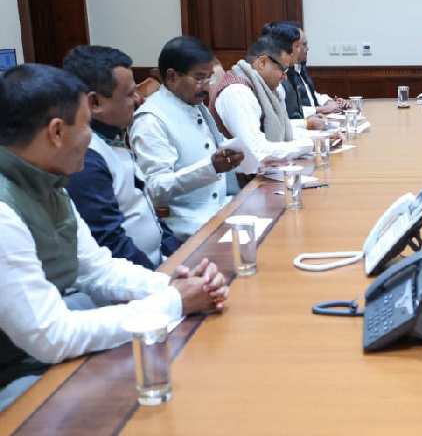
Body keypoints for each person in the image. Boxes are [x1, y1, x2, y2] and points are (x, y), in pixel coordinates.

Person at [0, 64, 228, 410]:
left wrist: (172, 286)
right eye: (87, 124)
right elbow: (50, 336)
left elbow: (96, 269)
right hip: (17, 376)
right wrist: (174, 303)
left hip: (41, 356)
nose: (92, 137)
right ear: (57, 132)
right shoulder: (5, 210)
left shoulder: (48, 179)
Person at [63, 46, 181, 269]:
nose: (140, 100)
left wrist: (183, 258)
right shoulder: (86, 160)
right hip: (135, 279)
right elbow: (110, 244)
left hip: (159, 266)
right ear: (95, 103)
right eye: (129, 94)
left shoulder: (115, 138)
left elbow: (150, 215)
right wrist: (163, 283)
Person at [131, 36, 244, 242]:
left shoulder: (194, 104)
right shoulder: (151, 119)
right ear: (172, 76)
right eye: (199, 78)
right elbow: (155, 188)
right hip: (187, 227)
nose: (207, 86)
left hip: (223, 210)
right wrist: (211, 168)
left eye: (209, 77)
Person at [208, 35, 313, 168]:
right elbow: (257, 150)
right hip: (243, 182)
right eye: (283, 69)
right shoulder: (237, 92)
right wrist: (309, 145)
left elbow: (283, 130)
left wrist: (317, 139)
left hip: (264, 173)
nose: (285, 77)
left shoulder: (266, 88)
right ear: (262, 63)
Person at [262, 21, 350, 119]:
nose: (304, 49)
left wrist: (331, 102)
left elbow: (311, 95)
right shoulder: (276, 76)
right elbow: (288, 114)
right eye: (298, 46)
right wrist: (320, 111)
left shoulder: (297, 68)